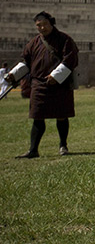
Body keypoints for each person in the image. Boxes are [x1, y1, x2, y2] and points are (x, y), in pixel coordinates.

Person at [5, 12, 79, 158]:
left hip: (60, 84)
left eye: (44, 24)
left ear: (51, 23)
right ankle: (33, 149)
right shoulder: (33, 43)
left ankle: (63, 145)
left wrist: (55, 76)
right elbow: (26, 61)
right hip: (38, 84)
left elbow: (70, 59)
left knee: (61, 116)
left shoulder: (65, 40)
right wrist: (14, 74)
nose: (42, 28)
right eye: (39, 25)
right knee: (37, 116)